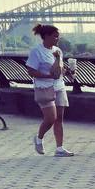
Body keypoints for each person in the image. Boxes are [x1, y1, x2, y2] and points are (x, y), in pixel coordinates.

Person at [25, 24, 73, 157]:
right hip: (44, 88)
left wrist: (68, 72)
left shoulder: (58, 51)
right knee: (51, 118)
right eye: (55, 36)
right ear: (46, 36)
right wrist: (48, 76)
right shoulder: (36, 51)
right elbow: (31, 71)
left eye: (58, 36)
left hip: (59, 87)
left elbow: (59, 70)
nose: (57, 38)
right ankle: (39, 138)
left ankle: (59, 149)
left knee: (59, 119)